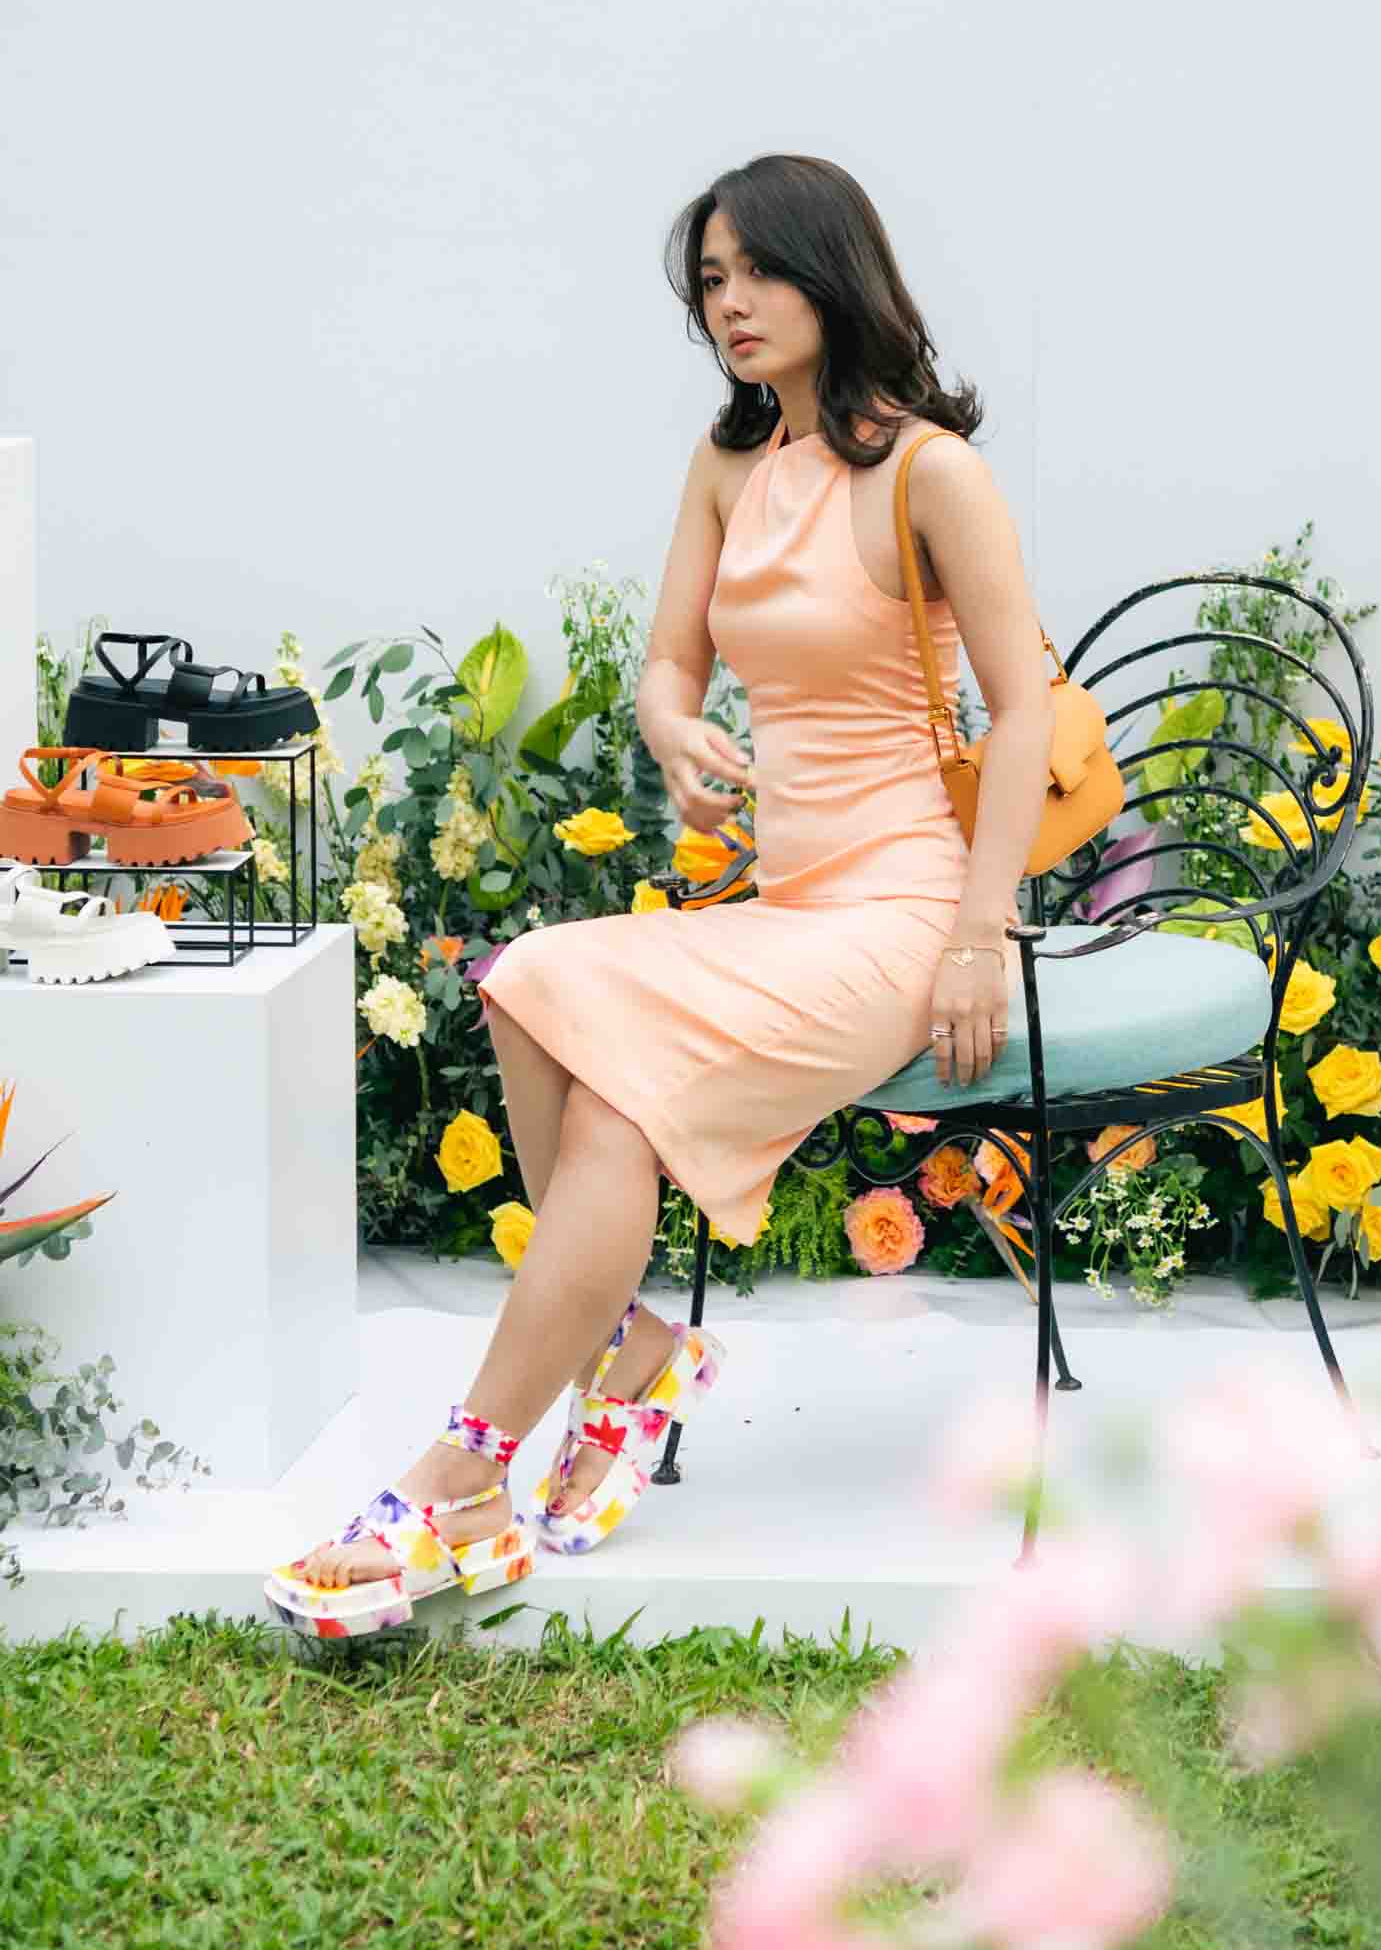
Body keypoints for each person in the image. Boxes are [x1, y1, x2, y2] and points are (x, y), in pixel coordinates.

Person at [266, 153, 1053, 1633]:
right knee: (530, 982)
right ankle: (615, 1353)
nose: (730, 304)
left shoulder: (932, 473)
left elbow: (1021, 714)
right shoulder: (728, 466)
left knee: (615, 1096)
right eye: (710, 281)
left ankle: (467, 1467)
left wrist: (976, 935)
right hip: (784, 905)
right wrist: (678, 736)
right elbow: (670, 664)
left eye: (759, 271)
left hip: (901, 920)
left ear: (836, 274)